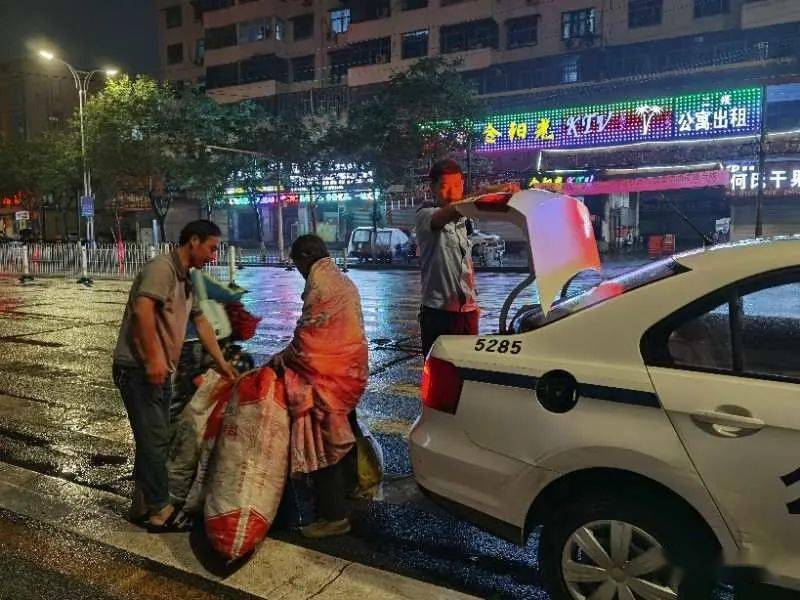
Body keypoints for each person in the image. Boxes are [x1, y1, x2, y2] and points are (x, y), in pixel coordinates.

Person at [112, 220, 237, 532]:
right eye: (211, 247)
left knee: (153, 439)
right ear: (193, 241)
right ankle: (159, 511)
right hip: (138, 370)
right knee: (154, 440)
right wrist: (153, 358)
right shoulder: (163, 269)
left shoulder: (188, 279)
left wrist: (221, 363)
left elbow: (203, 322)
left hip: (159, 371)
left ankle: (142, 502)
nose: (213, 255)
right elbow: (142, 311)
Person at [268, 234, 368, 539]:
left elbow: (308, 342)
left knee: (323, 440)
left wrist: (280, 360)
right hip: (351, 370)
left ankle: (334, 516)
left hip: (328, 377)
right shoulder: (341, 280)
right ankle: (355, 487)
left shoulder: (321, 287)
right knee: (346, 429)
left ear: (305, 257)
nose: (297, 269)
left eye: (297, 263)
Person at [415, 159, 480, 357]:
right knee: (440, 373)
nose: (452, 193)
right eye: (444, 186)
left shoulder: (464, 220)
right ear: (432, 188)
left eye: (457, 185)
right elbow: (450, 212)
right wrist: (490, 192)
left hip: (468, 312)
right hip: (439, 313)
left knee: (468, 371)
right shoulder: (426, 215)